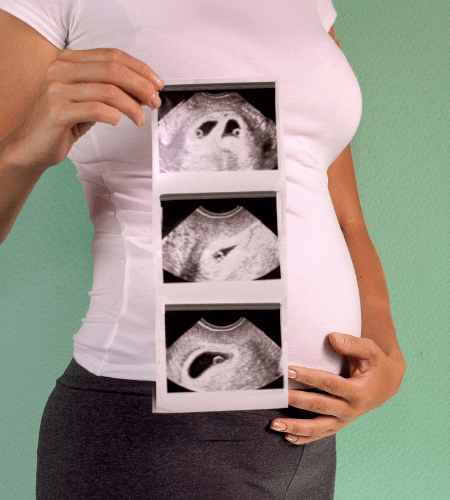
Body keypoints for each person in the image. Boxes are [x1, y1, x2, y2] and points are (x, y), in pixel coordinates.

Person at [0, 1, 405, 498]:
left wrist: (385, 351)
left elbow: (348, 219)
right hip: (153, 432)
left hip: (307, 435)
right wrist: (22, 151)